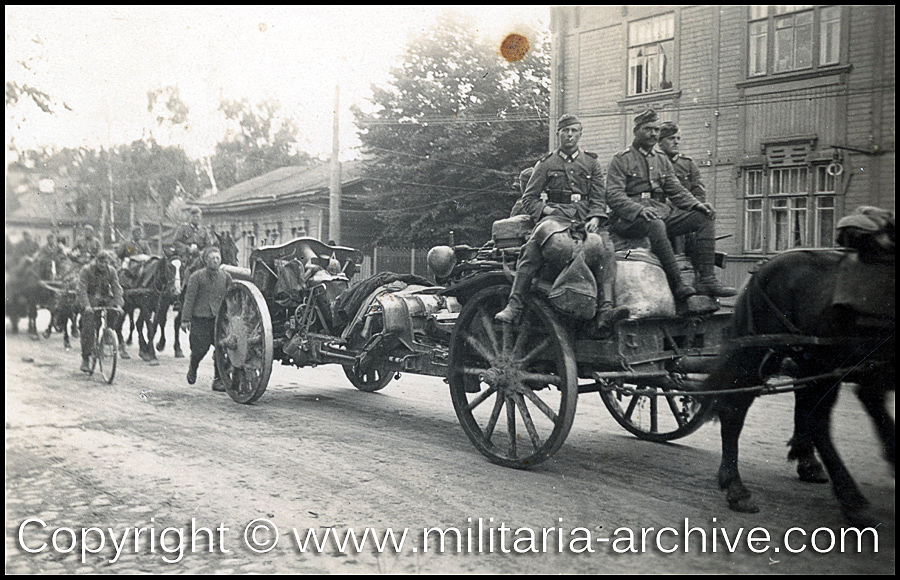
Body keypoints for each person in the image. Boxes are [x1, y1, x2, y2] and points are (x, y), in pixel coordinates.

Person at [495, 114, 629, 330]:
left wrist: (595, 216)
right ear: (558, 134)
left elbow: (598, 197)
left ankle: (605, 309)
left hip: (586, 219)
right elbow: (529, 199)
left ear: (580, 134)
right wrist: (546, 210)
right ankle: (514, 304)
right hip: (556, 218)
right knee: (531, 251)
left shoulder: (591, 163)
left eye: (574, 131)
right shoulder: (546, 163)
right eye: (565, 131)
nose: (570, 135)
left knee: (607, 250)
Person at [606, 109, 736, 301]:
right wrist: (639, 210)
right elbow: (614, 195)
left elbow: (675, 189)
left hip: (659, 211)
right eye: (648, 129)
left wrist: (696, 205)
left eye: (656, 130)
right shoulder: (621, 159)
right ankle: (678, 284)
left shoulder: (661, 160)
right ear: (636, 131)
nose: (653, 134)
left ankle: (707, 279)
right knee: (656, 224)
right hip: (628, 219)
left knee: (703, 217)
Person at [180, 246, 233, 392]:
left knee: (221, 349)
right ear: (205, 260)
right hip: (200, 319)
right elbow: (189, 299)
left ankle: (218, 381)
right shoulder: (196, 277)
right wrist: (185, 319)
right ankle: (193, 367)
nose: (215, 261)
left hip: (218, 320)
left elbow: (231, 297)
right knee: (199, 350)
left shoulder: (226, 277)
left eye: (217, 258)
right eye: (212, 259)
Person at [76, 250, 124, 373]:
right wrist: (86, 306)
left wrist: (119, 304)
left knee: (114, 310)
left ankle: (109, 333)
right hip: (89, 299)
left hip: (104, 298)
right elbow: (82, 289)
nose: (103, 265)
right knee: (88, 328)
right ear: (96, 261)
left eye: (105, 262)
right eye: (100, 262)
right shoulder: (87, 270)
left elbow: (116, 288)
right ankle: (85, 359)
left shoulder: (111, 271)